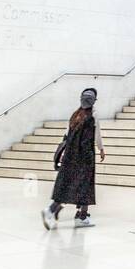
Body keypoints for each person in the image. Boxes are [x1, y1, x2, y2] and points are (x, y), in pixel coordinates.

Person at [42, 87, 104, 230]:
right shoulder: (93, 115)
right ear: (94, 101)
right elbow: (97, 135)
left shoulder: (75, 115)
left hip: (71, 155)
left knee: (68, 184)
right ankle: (71, 215)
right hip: (85, 156)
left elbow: (66, 135)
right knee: (85, 185)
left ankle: (75, 214)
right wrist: (101, 149)